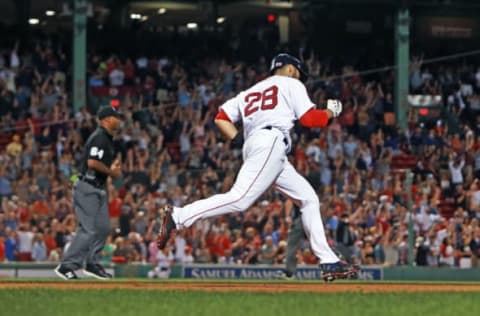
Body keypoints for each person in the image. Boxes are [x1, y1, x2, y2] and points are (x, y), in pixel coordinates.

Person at [157, 53, 358, 281]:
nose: (300, 78)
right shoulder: (291, 83)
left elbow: (220, 117)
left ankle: (329, 261)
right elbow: (311, 120)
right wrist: (332, 112)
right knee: (240, 198)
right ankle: (180, 216)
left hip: (261, 145)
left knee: (308, 198)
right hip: (271, 143)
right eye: (299, 73)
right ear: (291, 69)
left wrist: (239, 140)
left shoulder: (249, 92)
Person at [54, 106, 123, 280]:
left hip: (98, 187)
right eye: (116, 117)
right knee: (88, 229)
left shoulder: (107, 139)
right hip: (87, 186)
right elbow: (92, 162)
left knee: (103, 227)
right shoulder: (99, 137)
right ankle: (67, 265)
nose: (119, 120)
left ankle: (92, 263)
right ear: (106, 119)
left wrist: (111, 171)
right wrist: (111, 172)